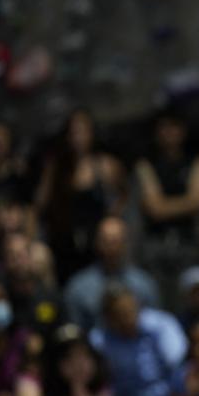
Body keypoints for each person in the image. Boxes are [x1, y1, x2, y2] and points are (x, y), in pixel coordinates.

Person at [34, 109, 127, 284]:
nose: (78, 137)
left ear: (92, 133)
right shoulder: (56, 168)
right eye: (73, 132)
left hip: (98, 246)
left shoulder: (105, 165)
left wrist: (111, 222)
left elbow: (124, 198)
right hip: (64, 243)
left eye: (82, 131)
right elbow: (40, 204)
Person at [134, 110, 199, 310]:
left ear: (183, 130)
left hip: (191, 243)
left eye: (173, 127)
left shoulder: (198, 161)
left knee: (196, 303)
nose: (169, 133)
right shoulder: (146, 164)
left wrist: (165, 204)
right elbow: (154, 209)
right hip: (156, 247)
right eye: (164, 127)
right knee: (161, 304)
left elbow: (198, 202)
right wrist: (186, 202)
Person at [88, 286, 186, 396]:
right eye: (119, 314)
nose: (127, 318)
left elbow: (178, 364)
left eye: (130, 311)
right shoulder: (98, 339)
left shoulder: (162, 325)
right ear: (107, 317)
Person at [63, 216, 160, 331]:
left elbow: (156, 325)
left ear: (125, 244)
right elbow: (74, 330)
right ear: (97, 243)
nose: (111, 247)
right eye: (106, 241)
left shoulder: (144, 284)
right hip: (94, 346)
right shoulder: (78, 287)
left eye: (115, 241)